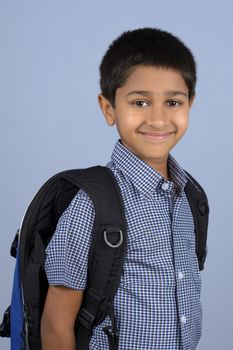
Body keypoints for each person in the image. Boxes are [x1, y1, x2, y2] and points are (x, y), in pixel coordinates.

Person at [41, 27, 204, 349]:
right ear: (109, 108)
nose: (158, 119)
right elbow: (55, 323)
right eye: (140, 102)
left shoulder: (190, 196)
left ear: (190, 104)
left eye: (173, 102)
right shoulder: (93, 204)